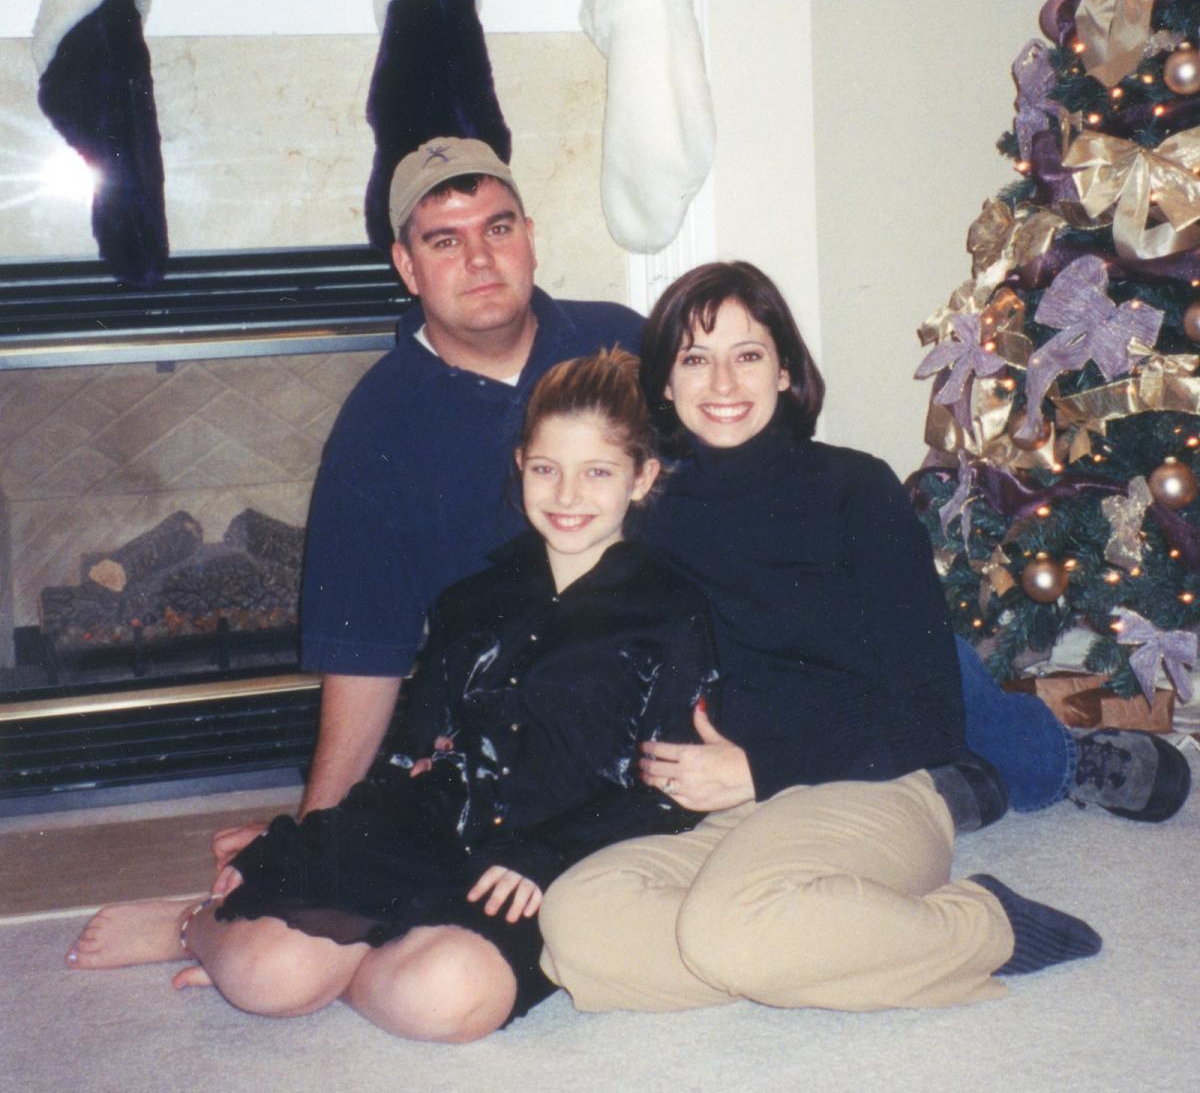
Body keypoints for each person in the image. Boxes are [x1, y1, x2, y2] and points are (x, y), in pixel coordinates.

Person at [212, 136, 1184, 897]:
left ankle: (1048, 759)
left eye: (498, 226)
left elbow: (750, 444)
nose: (480, 256)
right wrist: (318, 826)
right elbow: (367, 650)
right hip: (573, 658)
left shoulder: (617, 337)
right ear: (405, 264)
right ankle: (944, 778)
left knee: (870, 617)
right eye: (443, 238)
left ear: (530, 234)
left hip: (702, 605)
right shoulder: (376, 430)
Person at [65, 348, 717, 1041]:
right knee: (268, 979)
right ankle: (192, 924)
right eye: (546, 469)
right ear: (521, 462)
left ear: (642, 478)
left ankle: (339, 959)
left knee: (446, 999)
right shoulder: (472, 599)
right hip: (423, 829)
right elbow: (409, 754)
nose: (566, 496)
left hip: (530, 863)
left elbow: (666, 788)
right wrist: (310, 846)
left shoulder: (673, 612)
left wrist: (548, 854)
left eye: (598, 473)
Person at [538, 260, 1111, 1014]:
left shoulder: (855, 488)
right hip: (734, 816)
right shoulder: (653, 509)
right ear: (665, 386)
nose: (722, 382)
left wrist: (761, 769)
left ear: (783, 371)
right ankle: (808, 945)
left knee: (729, 932)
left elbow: (931, 713)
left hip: (869, 788)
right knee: (575, 923)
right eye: (694, 359)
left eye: (748, 355)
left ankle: (981, 924)